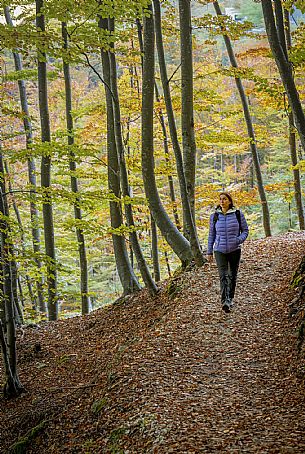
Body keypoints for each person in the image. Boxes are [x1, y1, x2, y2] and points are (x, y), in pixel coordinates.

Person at [207, 192, 249, 313]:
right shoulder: (214, 216)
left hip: (235, 249)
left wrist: (238, 240)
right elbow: (211, 235)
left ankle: (230, 298)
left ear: (229, 201)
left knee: (232, 275)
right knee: (223, 276)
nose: (222, 201)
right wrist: (209, 251)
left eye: (224, 199)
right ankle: (224, 301)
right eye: (220, 199)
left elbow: (245, 231)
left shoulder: (237, 214)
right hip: (219, 250)